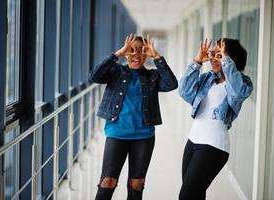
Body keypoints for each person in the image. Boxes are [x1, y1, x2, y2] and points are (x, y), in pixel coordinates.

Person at [89, 33, 178, 200]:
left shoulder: (152, 76)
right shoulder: (116, 72)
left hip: (144, 137)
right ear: (126, 52)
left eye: (141, 51)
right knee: (108, 181)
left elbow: (171, 84)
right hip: (117, 133)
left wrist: (157, 57)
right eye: (132, 51)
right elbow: (95, 76)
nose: (136, 55)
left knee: (136, 184)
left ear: (146, 54)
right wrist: (117, 54)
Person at [178, 38, 253, 199]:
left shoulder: (242, 82)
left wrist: (225, 60)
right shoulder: (207, 78)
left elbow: (239, 93)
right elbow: (184, 91)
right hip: (192, 141)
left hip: (214, 146)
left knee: (186, 196)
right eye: (212, 54)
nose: (213, 58)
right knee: (196, 195)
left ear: (231, 58)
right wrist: (197, 61)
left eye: (219, 55)